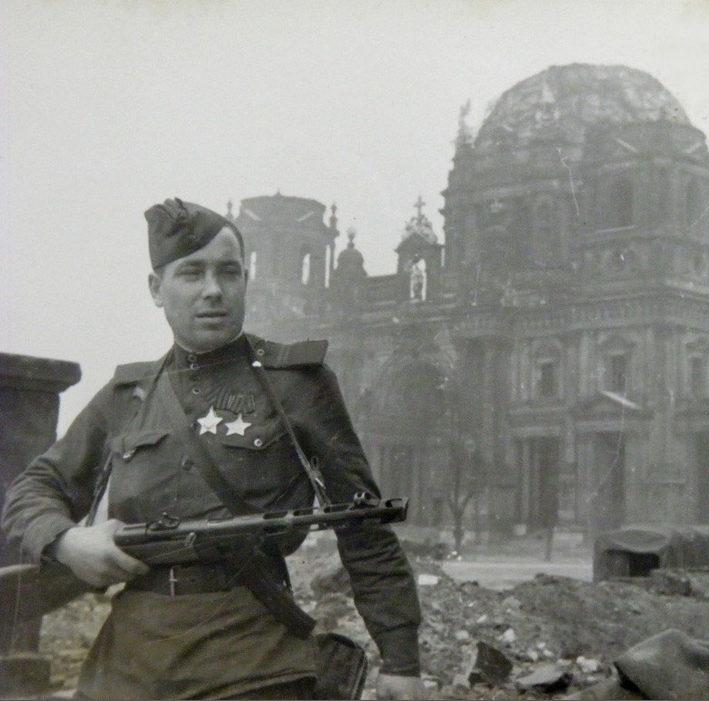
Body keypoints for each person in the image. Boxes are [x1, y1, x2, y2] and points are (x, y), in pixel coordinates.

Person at [1, 198, 423, 700]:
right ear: (156, 289)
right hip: (128, 664)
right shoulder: (127, 395)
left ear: (245, 281)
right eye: (191, 273)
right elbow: (33, 489)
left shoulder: (295, 385)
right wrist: (67, 542)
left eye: (228, 272)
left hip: (253, 659)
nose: (213, 291)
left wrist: (401, 660)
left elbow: (364, 526)